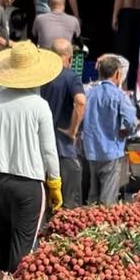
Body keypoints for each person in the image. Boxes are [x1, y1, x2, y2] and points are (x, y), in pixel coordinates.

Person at [0, 39, 64, 280]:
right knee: (23, 240)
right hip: (27, 184)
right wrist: (55, 183)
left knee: (0, 235)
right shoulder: (38, 106)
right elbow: (49, 151)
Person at [81, 54, 139, 204]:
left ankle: (90, 221)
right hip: (111, 151)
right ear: (117, 74)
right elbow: (131, 122)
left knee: (93, 193)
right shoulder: (119, 96)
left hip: (91, 151)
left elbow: (80, 116)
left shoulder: (89, 93)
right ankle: (103, 226)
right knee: (108, 199)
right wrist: (128, 131)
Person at [41, 39, 87, 208]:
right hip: (64, 150)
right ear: (69, 57)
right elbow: (81, 101)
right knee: (69, 206)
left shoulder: (40, 76)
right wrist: (72, 131)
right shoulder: (70, 76)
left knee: (46, 204)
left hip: (41, 151)